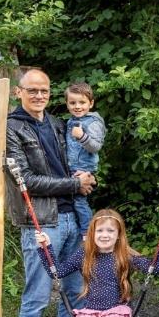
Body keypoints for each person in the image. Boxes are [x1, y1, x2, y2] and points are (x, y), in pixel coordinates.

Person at [5, 67, 101, 317]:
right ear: (18, 92)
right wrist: (73, 184)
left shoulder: (59, 123)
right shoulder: (12, 128)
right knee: (37, 295)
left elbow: (78, 161)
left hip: (72, 216)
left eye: (44, 90)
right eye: (32, 90)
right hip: (42, 222)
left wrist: (86, 178)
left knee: (74, 288)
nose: (39, 95)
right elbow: (26, 181)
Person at [64, 82, 107, 237]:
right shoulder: (70, 121)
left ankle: (87, 233)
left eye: (82, 102)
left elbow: (96, 146)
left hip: (83, 169)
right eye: (72, 103)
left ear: (91, 103)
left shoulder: (93, 122)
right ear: (67, 104)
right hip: (71, 167)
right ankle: (79, 231)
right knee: (72, 201)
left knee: (79, 201)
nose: (77, 106)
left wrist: (82, 136)